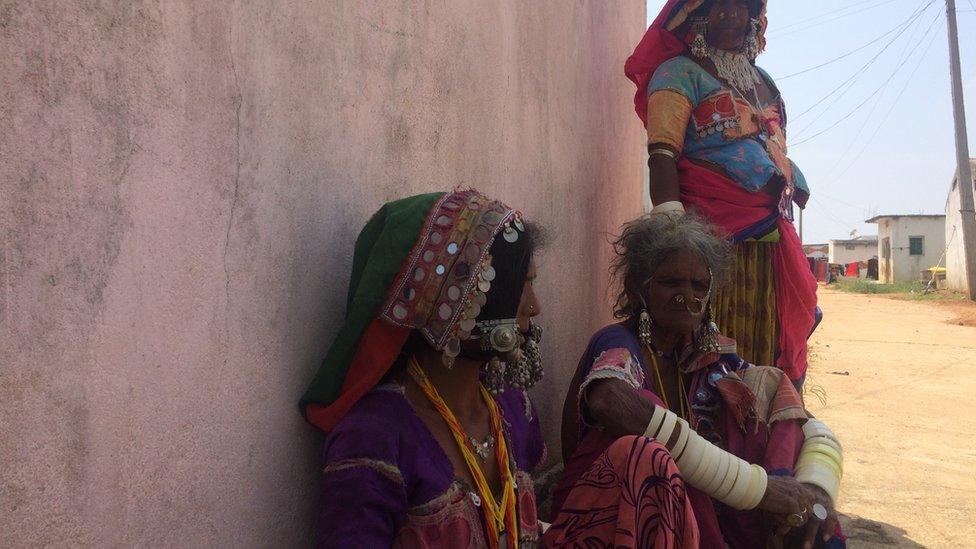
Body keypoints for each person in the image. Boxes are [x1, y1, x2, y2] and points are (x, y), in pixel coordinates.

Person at [547, 214, 845, 548]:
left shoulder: (707, 354)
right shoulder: (618, 342)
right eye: (670, 282)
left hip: (701, 511)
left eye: (699, 286)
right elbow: (610, 401)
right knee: (651, 435)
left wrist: (814, 489)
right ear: (637, 288)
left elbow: (793, 411)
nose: (686, 297)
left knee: (766, 383)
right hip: (613, 514)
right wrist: (759, 489)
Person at [300, 189, 547, 547]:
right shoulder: (375, 437)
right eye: (520, 286)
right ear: (457, 298)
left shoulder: (512, 408)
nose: (534, 307)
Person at [625, 0, 818, 386]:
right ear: (698, 16)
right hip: (707, 245)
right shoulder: (677, 73)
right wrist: (675, 239)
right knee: (706, 348)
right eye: (719, 8)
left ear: (753, 18)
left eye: (739, 7)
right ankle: (705, 434)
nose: (730, 16)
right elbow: (662, 155)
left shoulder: (766, 82)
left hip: (772, 239)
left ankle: (764, 432)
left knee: (770, 346)